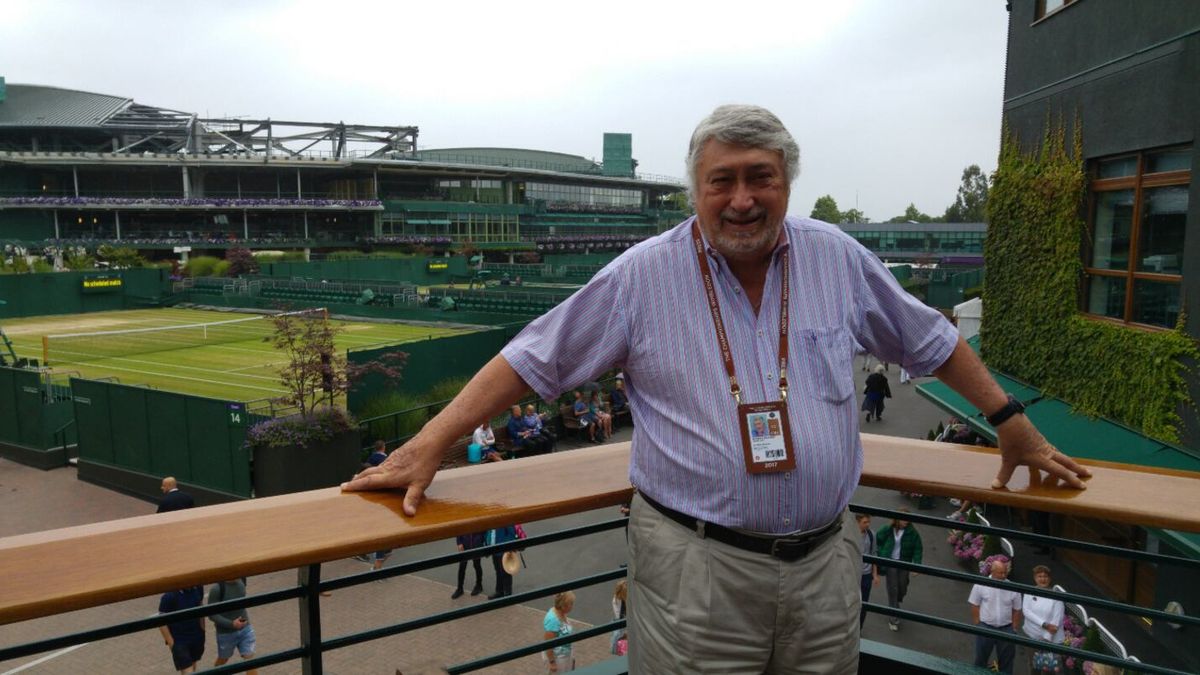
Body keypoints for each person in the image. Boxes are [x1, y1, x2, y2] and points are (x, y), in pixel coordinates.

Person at [343, 104, 1090, 673]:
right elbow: (532, 358)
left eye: (760, 177)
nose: (741, 198)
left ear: (786, 183)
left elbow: (930, 338)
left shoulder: (837, 257)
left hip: (826, 562)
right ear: (695, 191)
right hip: (694, 568)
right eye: (721, 180)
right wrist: (429, 443)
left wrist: (1009, 418)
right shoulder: (641, 276)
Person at [969, 557, 1023, 673]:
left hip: (1006, 628)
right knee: (981, 659)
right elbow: (974, 604)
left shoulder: (1013, 587)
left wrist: (1013, 628)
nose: (1003, 575)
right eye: (1000, 573)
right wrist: (978, 624)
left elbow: (1017, 609)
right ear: (992, 572)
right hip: (985, 627)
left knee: (1007, 661)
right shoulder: (980, 584)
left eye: (1005, 572)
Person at [876, 513, 922, 632]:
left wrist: (917, 565)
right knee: (893, 590)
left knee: (902, 587)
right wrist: (881, 553)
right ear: (897, 519)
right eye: (903, 519)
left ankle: (896, 603)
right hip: (890, 563)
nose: (906, 522)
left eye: (907, 520)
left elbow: (918, 548)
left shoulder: (912, 533)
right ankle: (893, 618)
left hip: (903, 563)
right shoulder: (888, 529)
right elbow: (877, 539)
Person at [207, 578, 258, 674]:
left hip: (245, 629)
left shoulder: (242, 580)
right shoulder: (216, 589)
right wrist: (231, 624)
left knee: (250, 660)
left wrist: (243, 620)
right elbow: (211, 614)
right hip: (226, 634)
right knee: (223, 660)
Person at [1022, 565, 1065, 673]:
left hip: (1050, 641)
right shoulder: (1029, 592)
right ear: (1035, 578)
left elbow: (1056, 622)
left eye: (1045, 576)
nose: (1043, 579)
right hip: (1032, 637)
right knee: (1033, 667)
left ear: (1049, 579)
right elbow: (1026, 612)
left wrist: (1046, 640)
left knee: (1049, 670)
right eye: (1039, 576)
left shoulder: (1057, 596)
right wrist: (1044, 624)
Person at [158, 585, 205, 673]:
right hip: (179, 641)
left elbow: (200, 604)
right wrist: (172, 645)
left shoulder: (198, 587)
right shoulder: (169, 596)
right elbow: (161, 622)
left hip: (196, 637)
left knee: (193, 666)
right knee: (188, 671)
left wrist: (202, 629)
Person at [543, 591, 577, 673]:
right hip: (558, 659)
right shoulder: (553, 620)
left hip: (565, 655)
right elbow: (548, 644)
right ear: (563, 606)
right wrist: (552, 663)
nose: (572, 606)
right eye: (571, 604)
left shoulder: (561, 613)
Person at [857, 514, 880, 628]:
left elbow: (874, 553)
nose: (868, 524)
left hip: (866, 575)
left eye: (868, 522)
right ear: (858, 522)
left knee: (864, 604)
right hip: (853, 574)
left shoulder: (871, 535)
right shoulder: (851, 535)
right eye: (865, 522)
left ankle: (859, 628)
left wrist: (875, 575)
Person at [451, 531, 486, 599]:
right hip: (465, 544)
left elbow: (484, 530)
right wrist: (459, 542)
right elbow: (459, 529)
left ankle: (479, 585)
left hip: (476, 545)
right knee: (462, 567)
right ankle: (460, 588)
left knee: (477, 565)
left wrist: (481, 540)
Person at [486, 524, 518, 599]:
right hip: (494, 549)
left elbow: (511, 532)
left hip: (503, 550)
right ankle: (499, 591)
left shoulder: (504, 520)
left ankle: (507, 593)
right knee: (498, 571)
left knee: (505, 571)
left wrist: (509, 547)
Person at [611, 580, 628, 655]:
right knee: (617, 636)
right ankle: (616, 651)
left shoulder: (630, 598)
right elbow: (618, 616)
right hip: (621, 621)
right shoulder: (615, 600)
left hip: (628, 621)